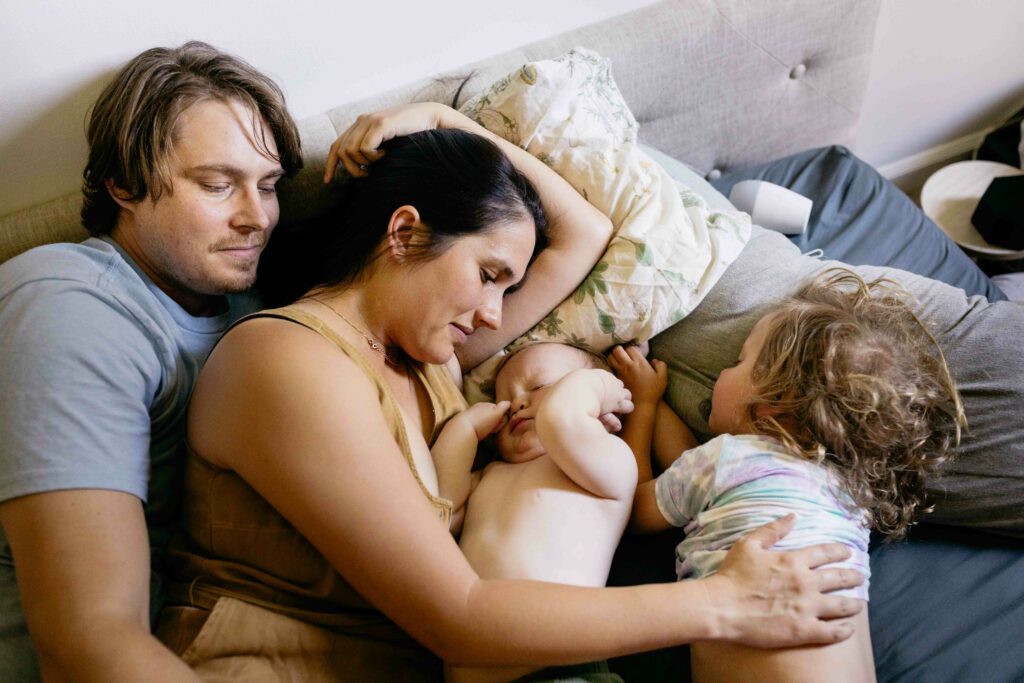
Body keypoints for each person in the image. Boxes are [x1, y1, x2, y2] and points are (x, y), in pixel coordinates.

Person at [155, 102, 864, 680]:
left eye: (508, 287)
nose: (497, 316)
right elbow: (458, 613)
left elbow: (585, 232)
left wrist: (439, 118)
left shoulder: (431, 359)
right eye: (489, 273)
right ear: (404, 233)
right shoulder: (288, 361)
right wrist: (721, 603)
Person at [0, 42, 302, 681]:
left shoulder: (251, 315)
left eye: (269, 186)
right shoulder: (70, 305)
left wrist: (445, 126)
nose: (256, 218)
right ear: (124, 186)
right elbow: (85, 642)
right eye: (218, 185)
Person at [615, 268, 966, 683]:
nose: (724, 373)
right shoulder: (850, 493)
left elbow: (634, 510)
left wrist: (643, 405)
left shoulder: (728, 460)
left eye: (739, 362)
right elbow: (698, 478)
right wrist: (656, 402)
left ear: (774, 400)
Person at [433, 342, 638, 683]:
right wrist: (464, 429)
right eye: (504, 398)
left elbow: (561, 418)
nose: (515, 404)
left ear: (604, 411)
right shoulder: (489, 475)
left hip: (561, 667)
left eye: (539, 387)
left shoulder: (611, 464)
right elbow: (441, 513)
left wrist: (602, 384)